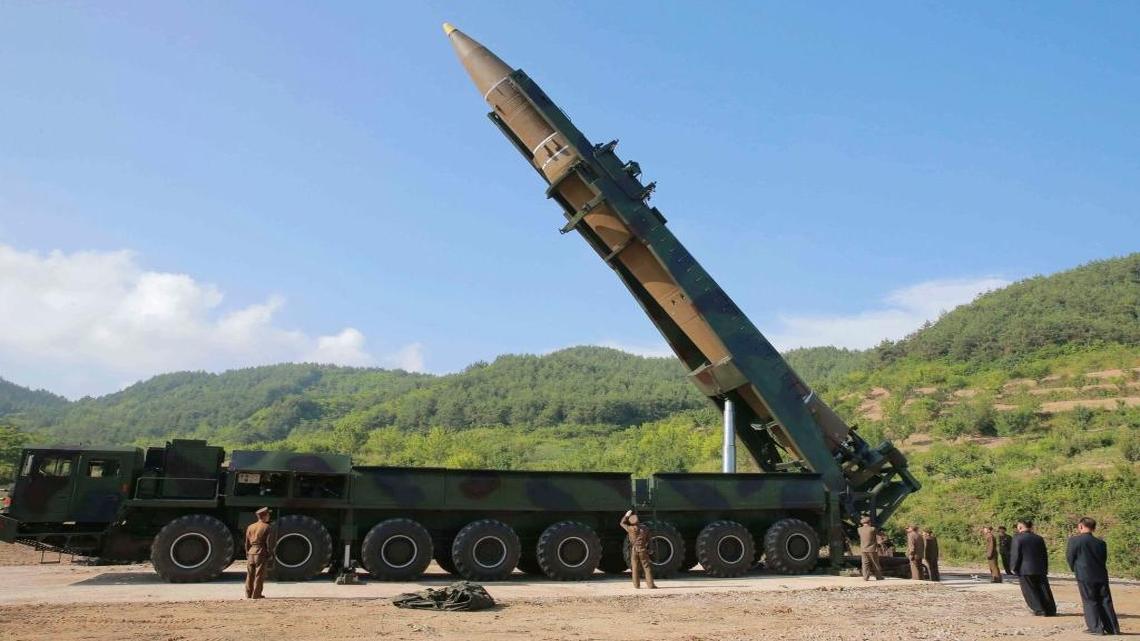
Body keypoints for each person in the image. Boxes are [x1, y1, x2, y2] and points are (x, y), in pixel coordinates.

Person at [1066, 517, 1120, 635]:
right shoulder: (1101, 543)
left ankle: (1096, 628)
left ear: (1080, 526)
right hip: (1101, 574)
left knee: (1090, 600)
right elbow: (1103, 559)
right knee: (1105, 600)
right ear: (1094, 528)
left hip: (1084, 574)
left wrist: (1074, 569)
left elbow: (1070, 557)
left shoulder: (1074, 540)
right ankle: (1113, 628)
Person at [1010, 519, 1056, 617]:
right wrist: (1045, 567)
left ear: (1020, 527)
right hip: (1040, 568)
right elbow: (1044, 554)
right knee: (1044, 589)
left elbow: (1015, 554)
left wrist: (1013, 567)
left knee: (1030, 590)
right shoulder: (1039, 538)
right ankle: (1050, 609)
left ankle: (1039, 609)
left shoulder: (1017, 538)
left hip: (1025, 568)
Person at [244, 507, 276, 599]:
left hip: (251, 552)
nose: (269, 516)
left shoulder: (250, 527)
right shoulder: (267, 527)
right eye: (268, 515)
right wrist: (270, 553)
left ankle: (248, 594)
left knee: (250, 575)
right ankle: (256, 594)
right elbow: (269, 543)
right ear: (264, 516)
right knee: (259, 575)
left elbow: (247, 543)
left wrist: (247, 553)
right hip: (261, 552)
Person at [620, 509, 656, 589]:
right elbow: (650, 540)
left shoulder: (630, 528)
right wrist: (651, 549)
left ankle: (636, 585)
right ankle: (651, 585)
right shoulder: (645, 528)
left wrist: (627, 515)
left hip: (634, 550)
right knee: (646, 567)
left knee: (635, 568)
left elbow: (622, 523)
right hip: (643, 550)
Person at [858, 516, 884, 581]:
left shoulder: (859, 529)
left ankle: (865, 577)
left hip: (863, 549)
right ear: (869, 522)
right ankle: (879, 577)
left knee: (865, 564)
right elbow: (879, 535)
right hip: (872, 549)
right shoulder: (872, 529)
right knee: (875, 563)